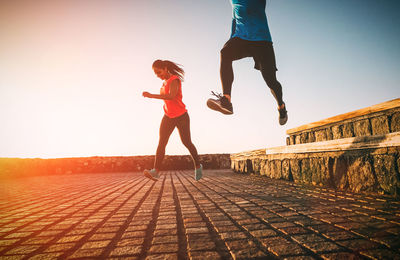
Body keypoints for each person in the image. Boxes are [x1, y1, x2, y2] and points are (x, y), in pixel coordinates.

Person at [207, 0, 288, 125]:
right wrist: (232, 39)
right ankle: (226, 101)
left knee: (270, 80)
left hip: (262, 40)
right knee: (225, 53)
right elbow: (234, 18)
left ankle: (281, 106)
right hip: (241, 38)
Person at [142, 60, 203, 181]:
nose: (158, 75)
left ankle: (197, 166)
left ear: (165, 68)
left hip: (181, 116)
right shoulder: (164, 83)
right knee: (162, 143)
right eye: (156, 74)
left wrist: (151, 95)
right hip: (168, 116)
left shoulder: (174, 79)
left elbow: (171, 96)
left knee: (186, 142)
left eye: (159, 72)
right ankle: (155, 171)